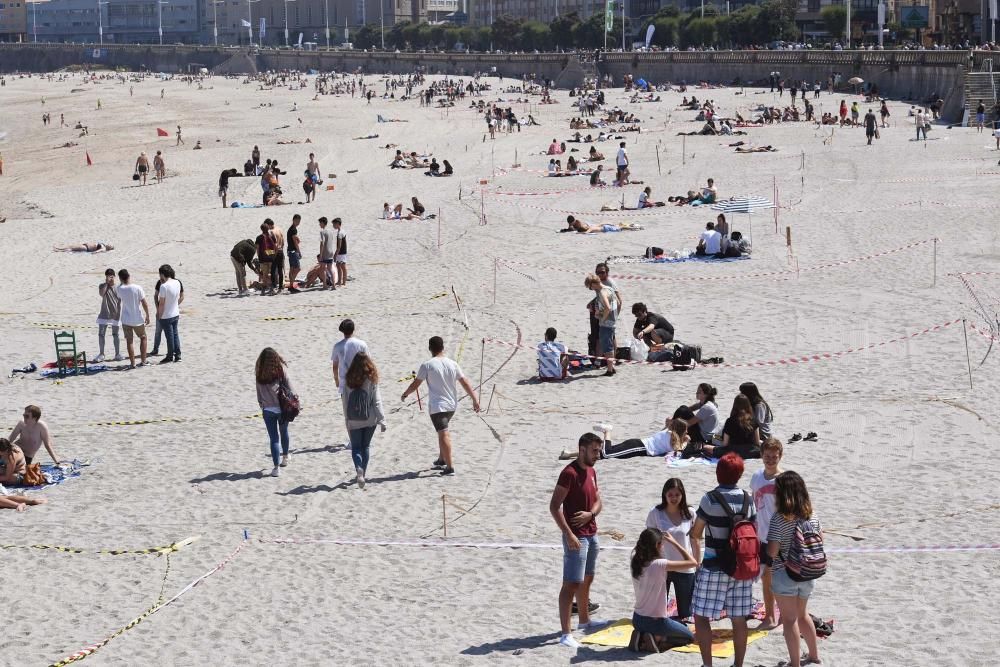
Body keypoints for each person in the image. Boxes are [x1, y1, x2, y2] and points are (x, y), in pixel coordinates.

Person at [690, 453, 757, 667]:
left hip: (714, 566)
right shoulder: (748, 500)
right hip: (741, 567)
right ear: (739, 474)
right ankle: (738, 664)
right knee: (739, 619)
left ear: (718, 473)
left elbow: (696, 533)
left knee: (701, 616)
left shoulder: (709, 499)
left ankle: (707, 665)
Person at [550, 432, 605, 649]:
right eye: (594, 450)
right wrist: (569, 534)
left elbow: (599, 500)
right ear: (582, 449)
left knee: (588, 578)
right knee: (571, 583)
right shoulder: (569, 474)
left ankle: (584, 621)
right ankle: (566, 633)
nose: (598, 455)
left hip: (592, 532)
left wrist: (591, 514)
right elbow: (554, 507)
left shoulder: (592, 470)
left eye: (598, 450)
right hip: (576, 537)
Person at [400, 336, 480, 476]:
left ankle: (450, 467)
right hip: (451, 406)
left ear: (430, 348)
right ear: (443, 347)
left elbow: (416, 384)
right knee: (441, 431)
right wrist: (475, 399)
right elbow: (465, 382)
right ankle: (442, 459)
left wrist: (405, 394)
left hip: (438, 407)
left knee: (444, 434)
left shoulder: (428, 365)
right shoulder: (453, 364)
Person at [767, 471, 823, 667]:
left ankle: (795, 663)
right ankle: (814, 655)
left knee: (789, 620)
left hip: (785, 574)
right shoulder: (812, 515)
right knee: (803, 615)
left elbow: (773, 552)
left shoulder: (779, 519)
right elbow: (820, 540)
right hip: (808, 572)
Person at [629, 527, 697, 651]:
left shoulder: (635, 560)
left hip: (637, 619)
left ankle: (643, 636)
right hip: (655, 622)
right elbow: (693, 562)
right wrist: (675, 542)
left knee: (679, 626)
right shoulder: (660, 564)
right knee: (689, 637)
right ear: (657, 545)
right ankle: (657, 640)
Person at [646, 478, 699, 621]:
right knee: (658, 612)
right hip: (663, 567)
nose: (674, 498)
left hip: (685, 568)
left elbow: (695, 541)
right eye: (670, 495)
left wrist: (697, 565)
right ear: (664, 495)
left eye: (677, 494)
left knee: (686, 614)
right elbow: (649, 540)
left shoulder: (690, 513)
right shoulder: (656, 513)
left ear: (682, 495)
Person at [751, 437, 783, 630]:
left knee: (775, 578)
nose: (770, 459)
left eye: (774, 456)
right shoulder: (756, 477)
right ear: (762, 455)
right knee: (766, 577)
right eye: (767, 456)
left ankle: (775, 617)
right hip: (760, 536)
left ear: (780, 456)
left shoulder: (784, 479)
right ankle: (770, 616)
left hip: (778, 537)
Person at [343, 352, 386, 489]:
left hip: (354, 419)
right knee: (365, 446)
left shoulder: (348, 379)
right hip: (370, 418)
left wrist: (347, 418)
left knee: (356, 447)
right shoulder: (372, 379)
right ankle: (363, 473)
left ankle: (358, 470)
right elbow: (377, 401)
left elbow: (345, 401)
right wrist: (382, 419)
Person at [255, 347, 294, 477]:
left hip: (267, 409)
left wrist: (262, 404)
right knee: (284, 432)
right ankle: (285, 457)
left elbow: (258, 393)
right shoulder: (280, 370)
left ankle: (276, 468)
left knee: (273, 439)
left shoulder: (259, 372)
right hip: (282, 408)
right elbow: (290, 388)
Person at [702, 394, 761, 459]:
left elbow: (725, 444)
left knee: (706, 447)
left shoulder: (730, 421)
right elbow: (757, 442)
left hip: (733, 451)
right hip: (751, 451)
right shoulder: (753, 420)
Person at [116, 268, 151, 368]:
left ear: (120, 278)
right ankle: (143, 361)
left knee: (129, 341)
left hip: (126, 318)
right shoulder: (137, 288)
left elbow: (119, 290)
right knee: (143, 337)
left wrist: (120, 282)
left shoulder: (120, 289)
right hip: (137, 318)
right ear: (129, 276)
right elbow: (144, 303)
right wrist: (148, 315)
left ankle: (133, 363)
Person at [585, 273, 617, 376]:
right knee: (609, 344)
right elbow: (618, 303)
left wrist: (602, 318)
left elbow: (607, 307)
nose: (592, 289)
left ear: (593, 284)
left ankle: (610, 370)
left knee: (607, 347)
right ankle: (612, 367)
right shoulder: (609, 288)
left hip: (606, 323)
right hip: (612, 321)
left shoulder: (602, 292)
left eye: (590, 288)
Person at [331, 318, 370, 402]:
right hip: (361, 381)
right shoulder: (362, 344)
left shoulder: (338, 346)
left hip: (345, 382)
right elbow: (368, 363)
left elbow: (335, 367)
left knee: (348, 411)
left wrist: (337, 381)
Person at [156, 264, 183, 364]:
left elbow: (162, 303)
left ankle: (170, 356)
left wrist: (159, 315)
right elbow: (179, 296)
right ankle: (178, 355)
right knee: (175, 335)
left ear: (163, 274)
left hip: (166, 315)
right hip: (175, 313)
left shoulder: (164, 286)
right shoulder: (177, 282)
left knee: (170, 337)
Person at [96, 268, 122, 362]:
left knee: (116, 334)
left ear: (115, 277)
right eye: (108, 276)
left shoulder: (119, 287)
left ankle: (117, 354)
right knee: (101, 334)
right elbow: (102, 294)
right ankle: (101, 353)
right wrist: (106, 283)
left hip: (115, 315)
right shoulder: (102, 286)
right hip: (104, 314)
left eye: (111, 276)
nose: (110, 278)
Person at [255, 222, 276, 295]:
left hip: (263, 258)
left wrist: (259, 257)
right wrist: (274, 255)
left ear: (261, 229)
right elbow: (275, 247)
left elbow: (257, 249)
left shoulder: (259, 238)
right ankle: (272, 289)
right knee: (272, 273)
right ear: (268, 229)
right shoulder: (272, 236)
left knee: (264, 274)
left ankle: (263, 290)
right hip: (271, 257)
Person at [267, 218, 286, 295]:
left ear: (268, 225)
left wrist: (272, 253)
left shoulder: (271, 232)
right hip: (281, 251)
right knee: (280, 270)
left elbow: (274, 244)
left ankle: (273, 287)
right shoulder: (279, 229)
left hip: (275, 252)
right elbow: (283, 242)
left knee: (272, 270)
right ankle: (280, 287)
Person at [318, 216, 336, 289]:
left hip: (325, 252)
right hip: (331, 251)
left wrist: (321, 254)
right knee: (330, 269)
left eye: (320, 223)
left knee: (323, 269)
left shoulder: (322, 232)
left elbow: (322, 243)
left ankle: (324, 285)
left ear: (323, 223)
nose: (319, 225)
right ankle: (334, 285)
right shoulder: (331, 232)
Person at [286, 214, 302, 292]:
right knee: (297, 268)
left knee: (292, 268)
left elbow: (295, 239)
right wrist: (299, 252)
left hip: (289, 251)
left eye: (299, 221)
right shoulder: (293, 230)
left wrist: (297, 239)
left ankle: (291, 286)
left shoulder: (291, 229)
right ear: (293, 220)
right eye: (297, 221)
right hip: (293, 251)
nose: (298, 222)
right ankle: (292, 283)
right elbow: (295, 242)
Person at [333, 217, 348, 287]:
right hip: (343, 251)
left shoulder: (340, 233)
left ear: (338, 224)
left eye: (334, 224)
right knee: (338, 266)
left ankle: (343, 282)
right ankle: (340, 281)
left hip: (341, 252)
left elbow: (339, 246)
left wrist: (335, 254)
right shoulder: (342, 231)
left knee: (342, 267)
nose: (333, 226)